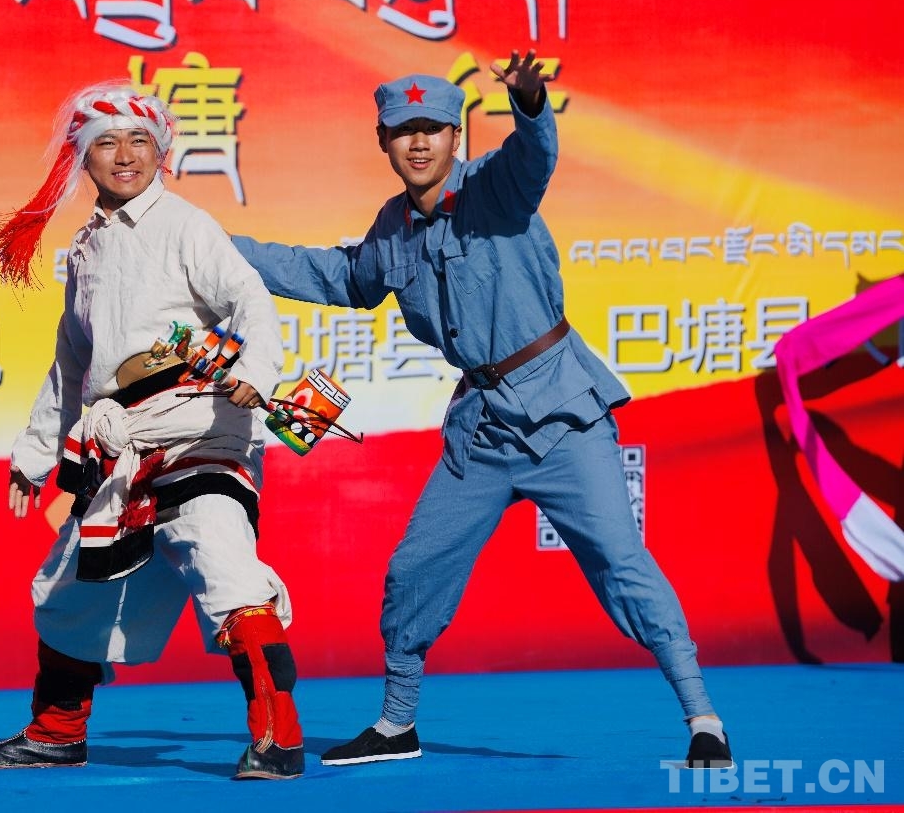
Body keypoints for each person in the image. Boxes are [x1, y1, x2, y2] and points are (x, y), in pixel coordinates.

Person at [230, 51, 733, 769]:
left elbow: (534, 158)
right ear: (382, 141)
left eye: (433, 129)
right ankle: (397, 724)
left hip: (564, 416)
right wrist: (220, 249)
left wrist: (530, 108)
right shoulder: (392, 226)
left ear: (455, 137)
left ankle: (702, 718)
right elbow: (341, 277)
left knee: (621, 565)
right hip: (483, 432)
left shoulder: (495, 189)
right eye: (403, 131)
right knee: (415, 569)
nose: (419, 143)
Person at [0, 81, 304, 780]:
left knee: (225, 567)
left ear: (161, 152)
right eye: (107, 143)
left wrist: (257, 370)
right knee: (68, 593)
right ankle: (57, 733)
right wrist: (34, 454)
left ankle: (279, 738)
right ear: (82, 159)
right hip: (120, 450)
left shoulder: (185, 225)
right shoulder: (87, 248)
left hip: (199, 436)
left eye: (139, 141)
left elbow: (249, 298)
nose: (125, 155)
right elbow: (72, 364)